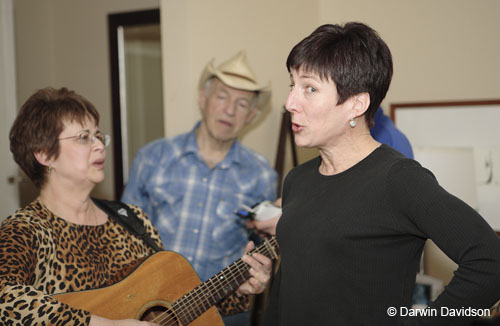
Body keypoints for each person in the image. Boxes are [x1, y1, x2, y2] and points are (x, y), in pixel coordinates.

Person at [263, 23, 500, 326]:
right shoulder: (297, 180)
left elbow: (491, 262)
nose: (290, 103)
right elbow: (288, 289)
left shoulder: (398, 180)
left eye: (309, 88)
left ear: (356, 104)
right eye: (292, 85)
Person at [0, 87, 272, 326]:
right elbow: (6, 301)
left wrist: (238, 290)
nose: (99, 146)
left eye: (98, 136)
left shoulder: (131, 221)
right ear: (45, 154)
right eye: (84, 137)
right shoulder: (24, 230)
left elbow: (173, 305)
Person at [121, 50, 277, 325]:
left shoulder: (261, 175)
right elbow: (123, 240)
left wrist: (261, 274)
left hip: (223, 313)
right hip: (149, 310)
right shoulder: (152, 158)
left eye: (242, 104)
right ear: (203, 99)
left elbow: (263, 251)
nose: (230, 110)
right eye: (221, 96)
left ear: (252, 115)